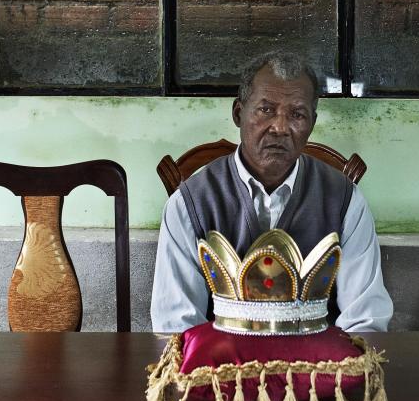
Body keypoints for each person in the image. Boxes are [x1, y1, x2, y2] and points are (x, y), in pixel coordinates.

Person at [150, 52, 393, 332]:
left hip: (317, 369)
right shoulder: (190, 202)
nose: (280, 127)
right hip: (221, 368)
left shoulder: (344, 201)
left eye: (297, 114)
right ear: (239, 113)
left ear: (312, 123)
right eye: (266, 110)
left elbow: (365, 320)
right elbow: (176, 327)